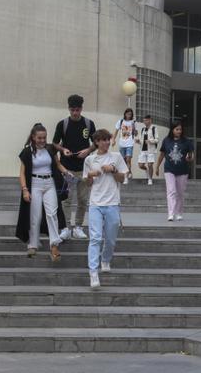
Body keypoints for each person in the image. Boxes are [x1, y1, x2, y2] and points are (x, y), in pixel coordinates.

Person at [15, 123, 70, 262]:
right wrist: (25, 190)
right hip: (34, 184)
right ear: (33, 137)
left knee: (52, 213)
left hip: (50, 183)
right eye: (39, 138)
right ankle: (33, 244)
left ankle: (54, 244)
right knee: (35, 215)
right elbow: (21, 173)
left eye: (44, 138)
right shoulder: (27, 152)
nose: (42, 140)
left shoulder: (50, 149)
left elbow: (57, 165)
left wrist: (66, 172)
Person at [83, 129, 129, 289]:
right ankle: (93, 273)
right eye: (103, 140)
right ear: (96, 142)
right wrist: (90, 176)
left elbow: (123, 179)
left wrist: (113, 170)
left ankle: (106, 259)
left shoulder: (116, 157)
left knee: (110, 239)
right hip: (95, 203)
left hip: (112, 203)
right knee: (95, 238)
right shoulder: (90, 159)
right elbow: (87, 184)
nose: (107, 142)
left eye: (108, 139)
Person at [52, 94, 96, 240]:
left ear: (81, 109)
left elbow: (96, 143)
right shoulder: (62, 124)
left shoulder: (89, 124)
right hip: (67, 168)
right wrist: (62, 149)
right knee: (66, 199)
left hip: (84, 168)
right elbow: (54, 143)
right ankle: (65, 228)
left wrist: (88, 151)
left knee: (83, 199)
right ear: (69, 109)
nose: (75, 113)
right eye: (72, 110)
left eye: (77, 110)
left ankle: (78, 226)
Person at [155, 120, 195, 222]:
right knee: (171, 191)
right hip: (169, 169)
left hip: (183, 171)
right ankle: (171, 213)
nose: (179, 131)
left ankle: (179, 213)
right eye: (177, 129)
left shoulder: (187, 141)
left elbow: (191, 156)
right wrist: (157, 167)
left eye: (180, 129)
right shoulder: (166, 140)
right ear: (172, 130)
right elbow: (162, 155)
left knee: (180, 193)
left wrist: (189, 158)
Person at [112, 108, 137, 185]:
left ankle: (126, 177)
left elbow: (135, 133)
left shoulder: (134, 122)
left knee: (128, 159)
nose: (129, 115)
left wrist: (134, 127)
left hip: (130, 143)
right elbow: (116, 131)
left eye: (130, 114)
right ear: (125, 114)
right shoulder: (121, 121)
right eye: (127, 114)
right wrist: (113, 140)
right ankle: (129, 171)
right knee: (123, 160)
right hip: (122, 143)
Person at [136, 114, 159, 185]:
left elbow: (157, 140)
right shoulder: (143, 129)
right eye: (144, 121)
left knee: (150, 165)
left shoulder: (154, 129)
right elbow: (141, 140)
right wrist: (138, 141)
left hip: (151, 150)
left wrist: (150, 141)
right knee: (140, 165)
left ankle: (150, 179)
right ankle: (146, 171)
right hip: (143, 150)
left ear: (150, 120)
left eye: (146, 120)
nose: (144, 122)